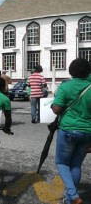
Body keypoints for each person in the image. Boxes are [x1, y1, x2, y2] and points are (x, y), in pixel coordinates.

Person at [51, 58, 91, 204]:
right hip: (87, 132)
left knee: (62, 163)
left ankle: (73, 196)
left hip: (68, 129)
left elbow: (57, 109)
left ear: (71, 70)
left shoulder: (66, 86)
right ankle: (68, 199)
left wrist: (53, 106)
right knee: (75, 165)